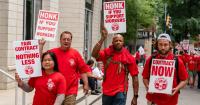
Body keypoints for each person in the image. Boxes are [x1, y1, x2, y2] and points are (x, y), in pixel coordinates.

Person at [39, 31, 89, 105]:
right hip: (55, 91)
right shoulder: (53, 52)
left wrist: (86, 84)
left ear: (71, 41)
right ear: (60, 40)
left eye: (68, 39)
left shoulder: (75, 53)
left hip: (70, 92)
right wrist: (41, 46)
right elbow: (41, 59)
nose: (66, 41)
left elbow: (82, 70)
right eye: (64, 39)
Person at [92, 27, 139, 105]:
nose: (118, 42)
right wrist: (102, 39)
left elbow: (135, 77)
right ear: (112, 42)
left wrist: (135, 96)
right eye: (116, 40)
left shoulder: (129, 57)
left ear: (123, 42)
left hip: (120, 91)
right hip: (107, 91)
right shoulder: (107, 52)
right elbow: (94, 54)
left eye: (120, 41)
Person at [142, 33, 188, 105]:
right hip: (153, 100)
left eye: (165, 45)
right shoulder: (151, 59)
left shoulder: (177, 61)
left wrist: (177, 89)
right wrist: (147, 86)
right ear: (157, 45)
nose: (163, 47)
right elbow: (145, 77)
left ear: (170, 45)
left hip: (170, 101)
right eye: (160, 44)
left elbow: (184, 80)